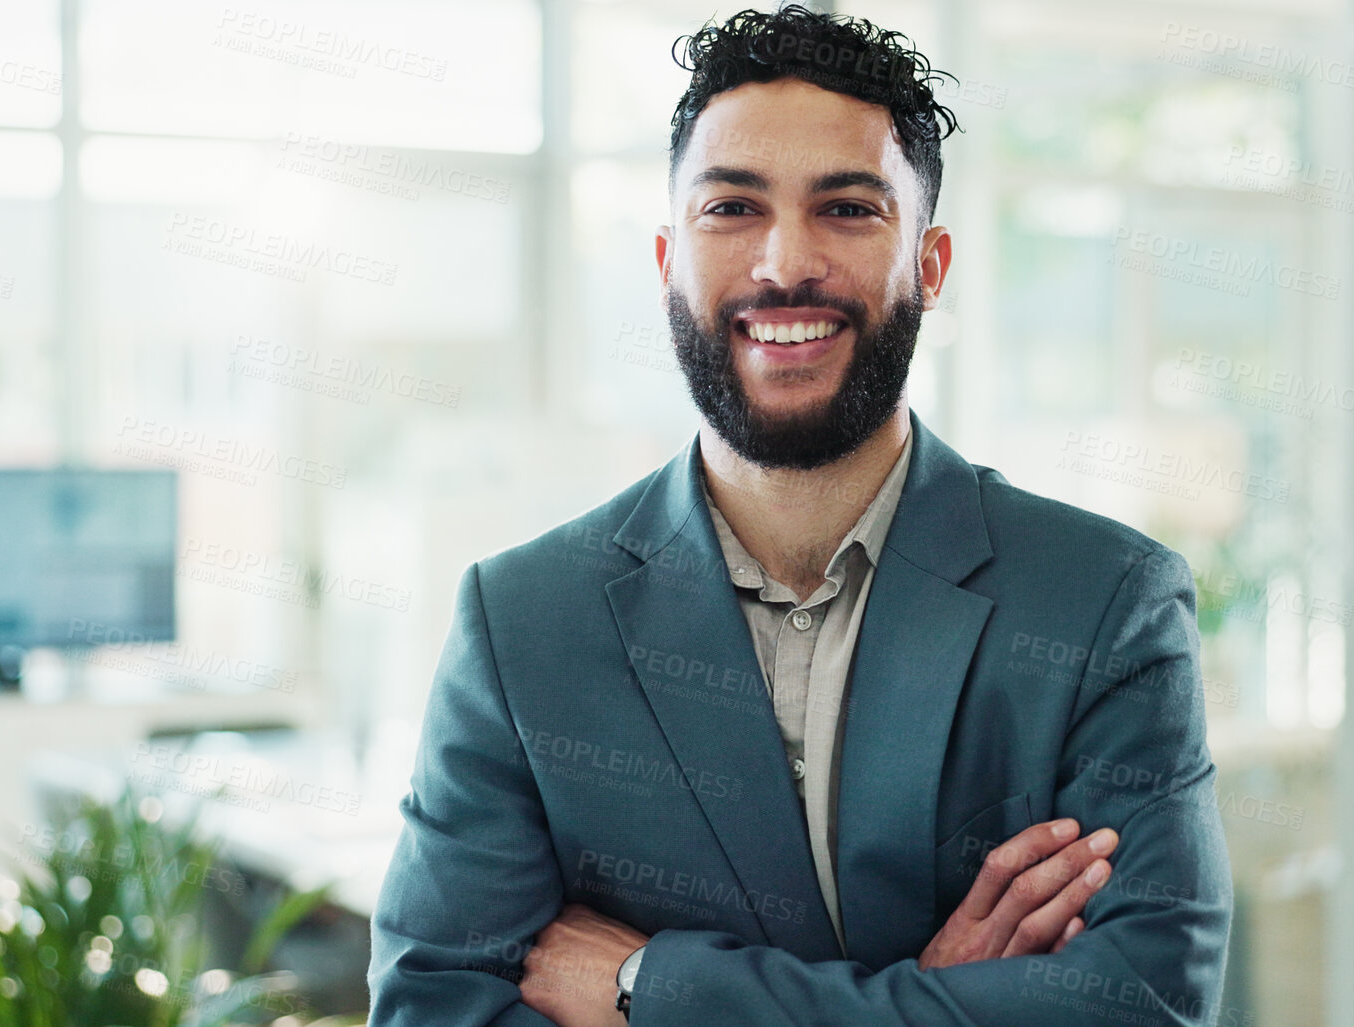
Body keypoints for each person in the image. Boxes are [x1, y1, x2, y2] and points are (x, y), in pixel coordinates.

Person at [367, 6, 1231, 1024]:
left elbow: (1141, 1007)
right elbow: (435, 1011)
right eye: (731, 209)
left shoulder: (1102, 604)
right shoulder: (523, 623)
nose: (784, 263)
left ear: (932, 263)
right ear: (665, 262)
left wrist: (653, 989)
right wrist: (932, 998)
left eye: (849, 210)